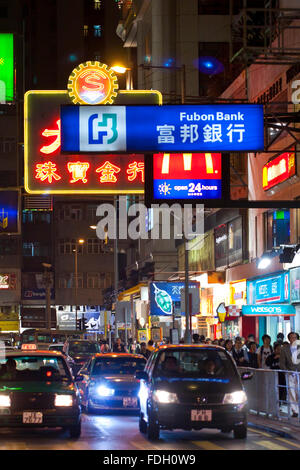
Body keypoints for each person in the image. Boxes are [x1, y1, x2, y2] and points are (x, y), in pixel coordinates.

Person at [280, 332, 300, 417]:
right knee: (291, 392)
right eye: (292, 338)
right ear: (289, 339)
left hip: (299, 372)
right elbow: (282, 363)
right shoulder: (284, 349)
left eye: (295, 337)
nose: (294, 339)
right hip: (290, 373)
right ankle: (295, 410)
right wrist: (287, 372)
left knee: (297, 392)